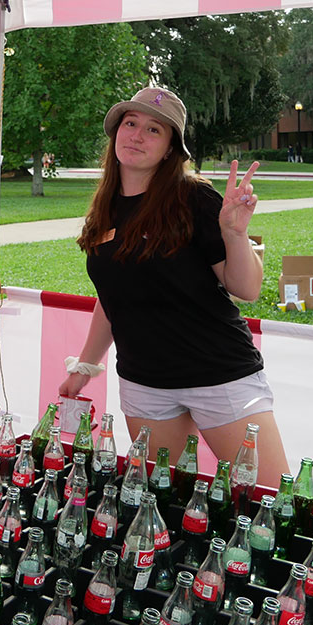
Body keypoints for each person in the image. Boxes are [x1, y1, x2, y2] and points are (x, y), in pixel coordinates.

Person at [58, 86, 289, 485]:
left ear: (169, 149)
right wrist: (84, 367)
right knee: (164, 498)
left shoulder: (193, 197)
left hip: (220, 375)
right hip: (145, 385)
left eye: (154, 130)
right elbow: (113, 297)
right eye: (131, 123)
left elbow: (247, 289)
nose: (137, 135)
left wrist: (235, 234)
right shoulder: (106, 206)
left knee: (265, 497)